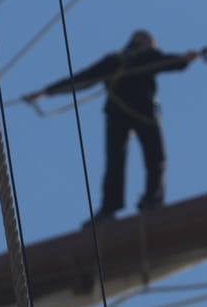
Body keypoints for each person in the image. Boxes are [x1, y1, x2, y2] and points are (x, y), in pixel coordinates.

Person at [27, 30, 196, 221]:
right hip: (142, 112)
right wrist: (185, 60)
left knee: (117, 162)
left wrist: (47, 92)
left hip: (119, 114)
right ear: (146, 42)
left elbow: (83, 79)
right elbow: (170, 62)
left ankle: (111, 208)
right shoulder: (142, 57)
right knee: (155, 158)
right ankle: (151, 201)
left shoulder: (115, 61)